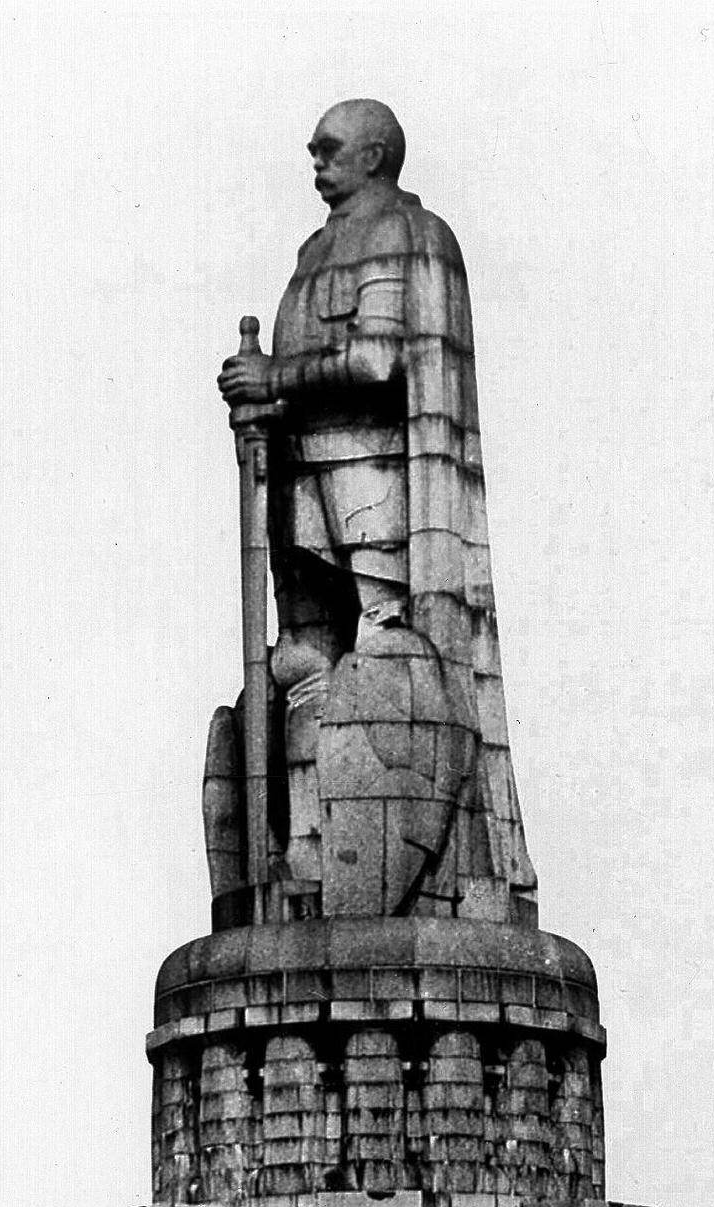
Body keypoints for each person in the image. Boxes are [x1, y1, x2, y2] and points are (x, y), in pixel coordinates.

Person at [213, 100, 536, 920]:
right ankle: (308, 848)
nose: (314, 160)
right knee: (304, 660)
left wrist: (275, 381)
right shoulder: (314, 250)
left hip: (380, 485)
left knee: (386, 651)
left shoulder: (404, 235)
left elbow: (381, 357)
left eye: (330, 149)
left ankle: (395, 869)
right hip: (304, 485)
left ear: (377, 153)